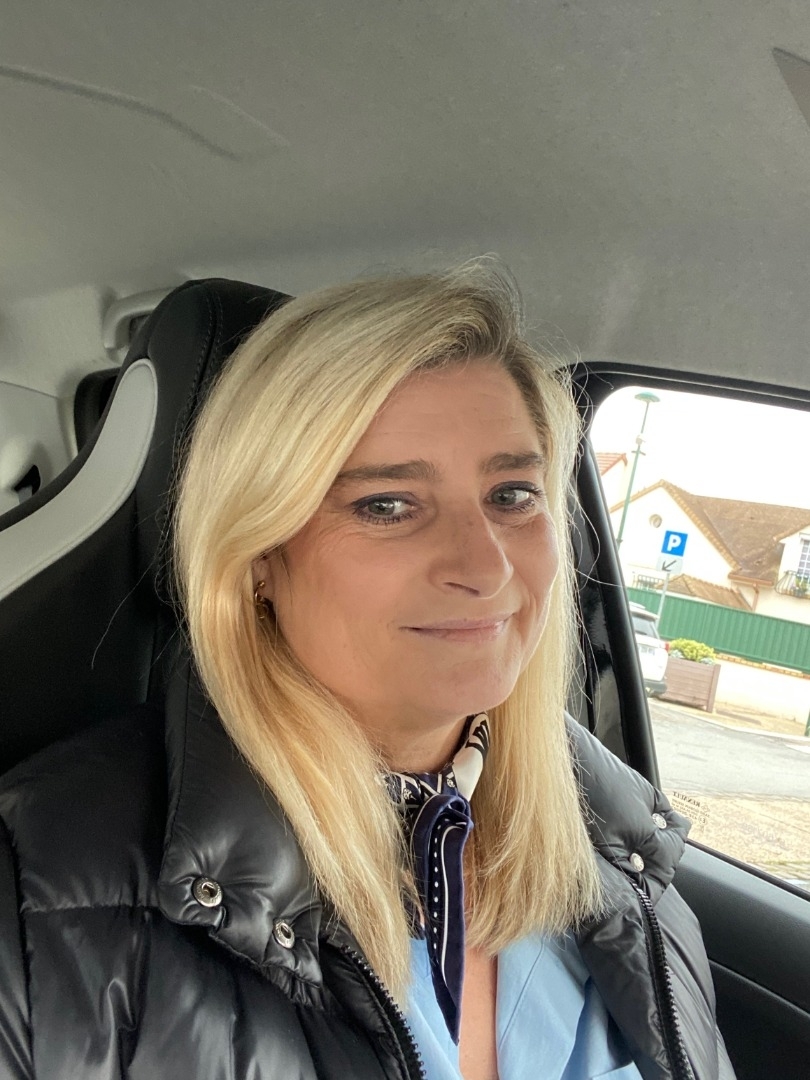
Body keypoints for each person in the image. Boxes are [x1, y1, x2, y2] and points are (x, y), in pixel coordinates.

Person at [0, 265, 734, 1079]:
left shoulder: (624, 850)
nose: (486, 566)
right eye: (387, 505)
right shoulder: (33, 903)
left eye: (512, 494)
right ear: (258, 555)